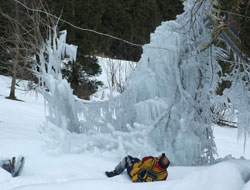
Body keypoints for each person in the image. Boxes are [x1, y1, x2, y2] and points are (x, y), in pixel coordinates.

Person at [105, 153, 170, 182]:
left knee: (127, 158)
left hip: (134, 172)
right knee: (136, 159)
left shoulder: (150, 161)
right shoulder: (164, 174)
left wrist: (156, 158)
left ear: (158, 161)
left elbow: (144, 159)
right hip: (144, 178)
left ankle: (115, 172)